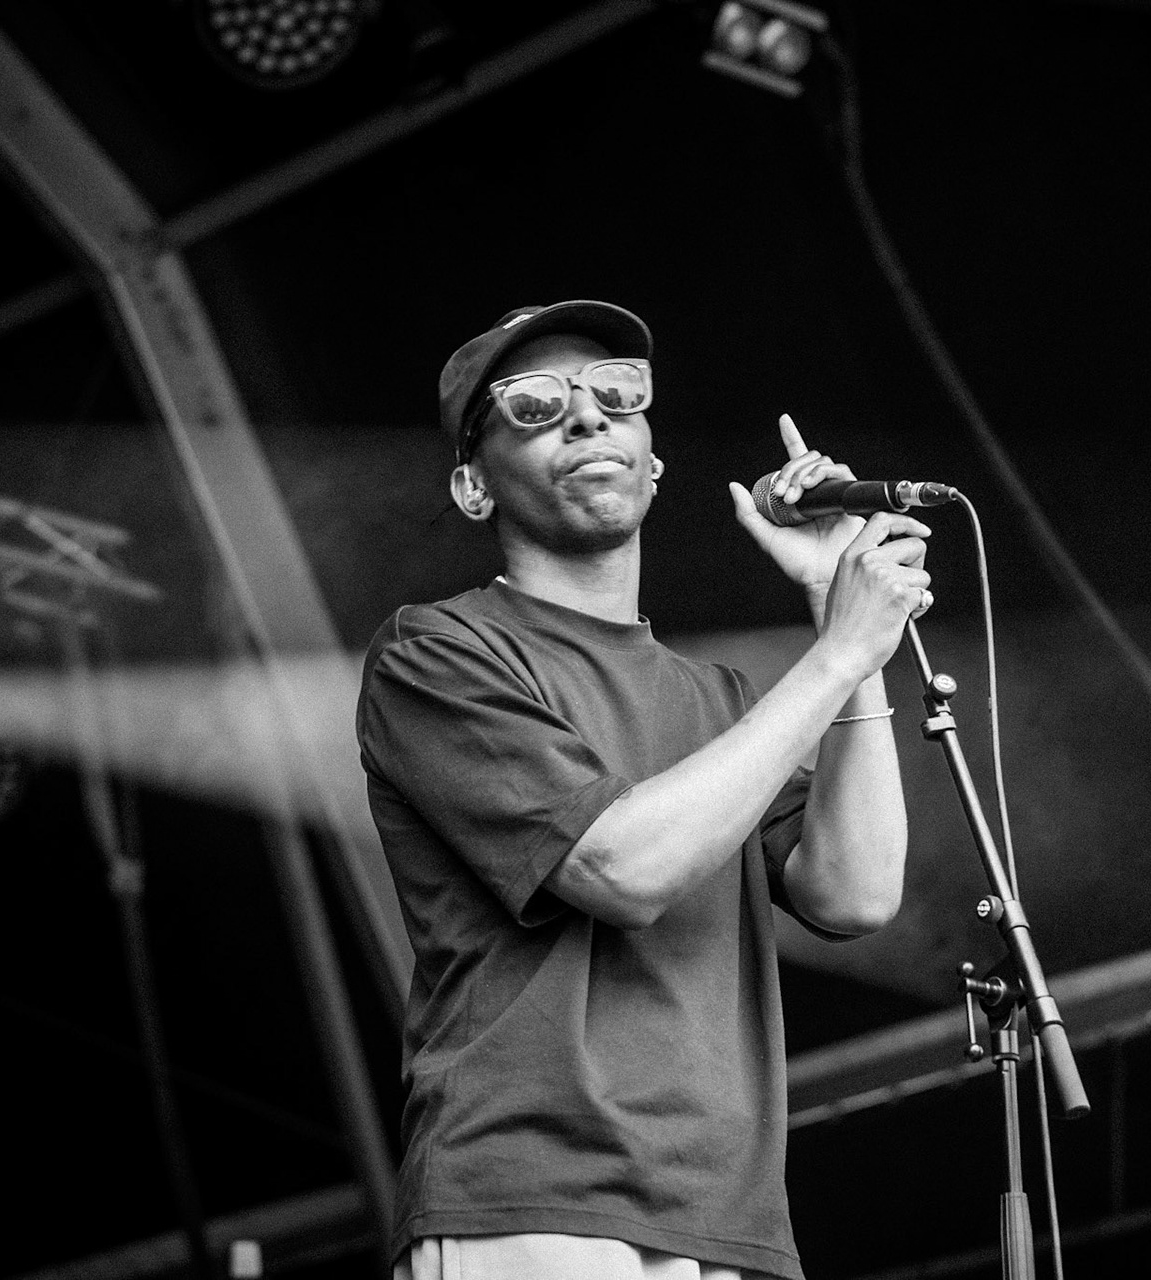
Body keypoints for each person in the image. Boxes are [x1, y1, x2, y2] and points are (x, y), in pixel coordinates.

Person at [357, 300, 933, 1280]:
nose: (587, 418)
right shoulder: (437, 650)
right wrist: (835, 653)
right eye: (535, 404)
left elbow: (856, 890)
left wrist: (848, 630)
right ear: (471, 484)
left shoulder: (719, 699)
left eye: (617, 393)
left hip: (727, 1219)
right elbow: (625, 868)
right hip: (532, 1201)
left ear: (654, 456)